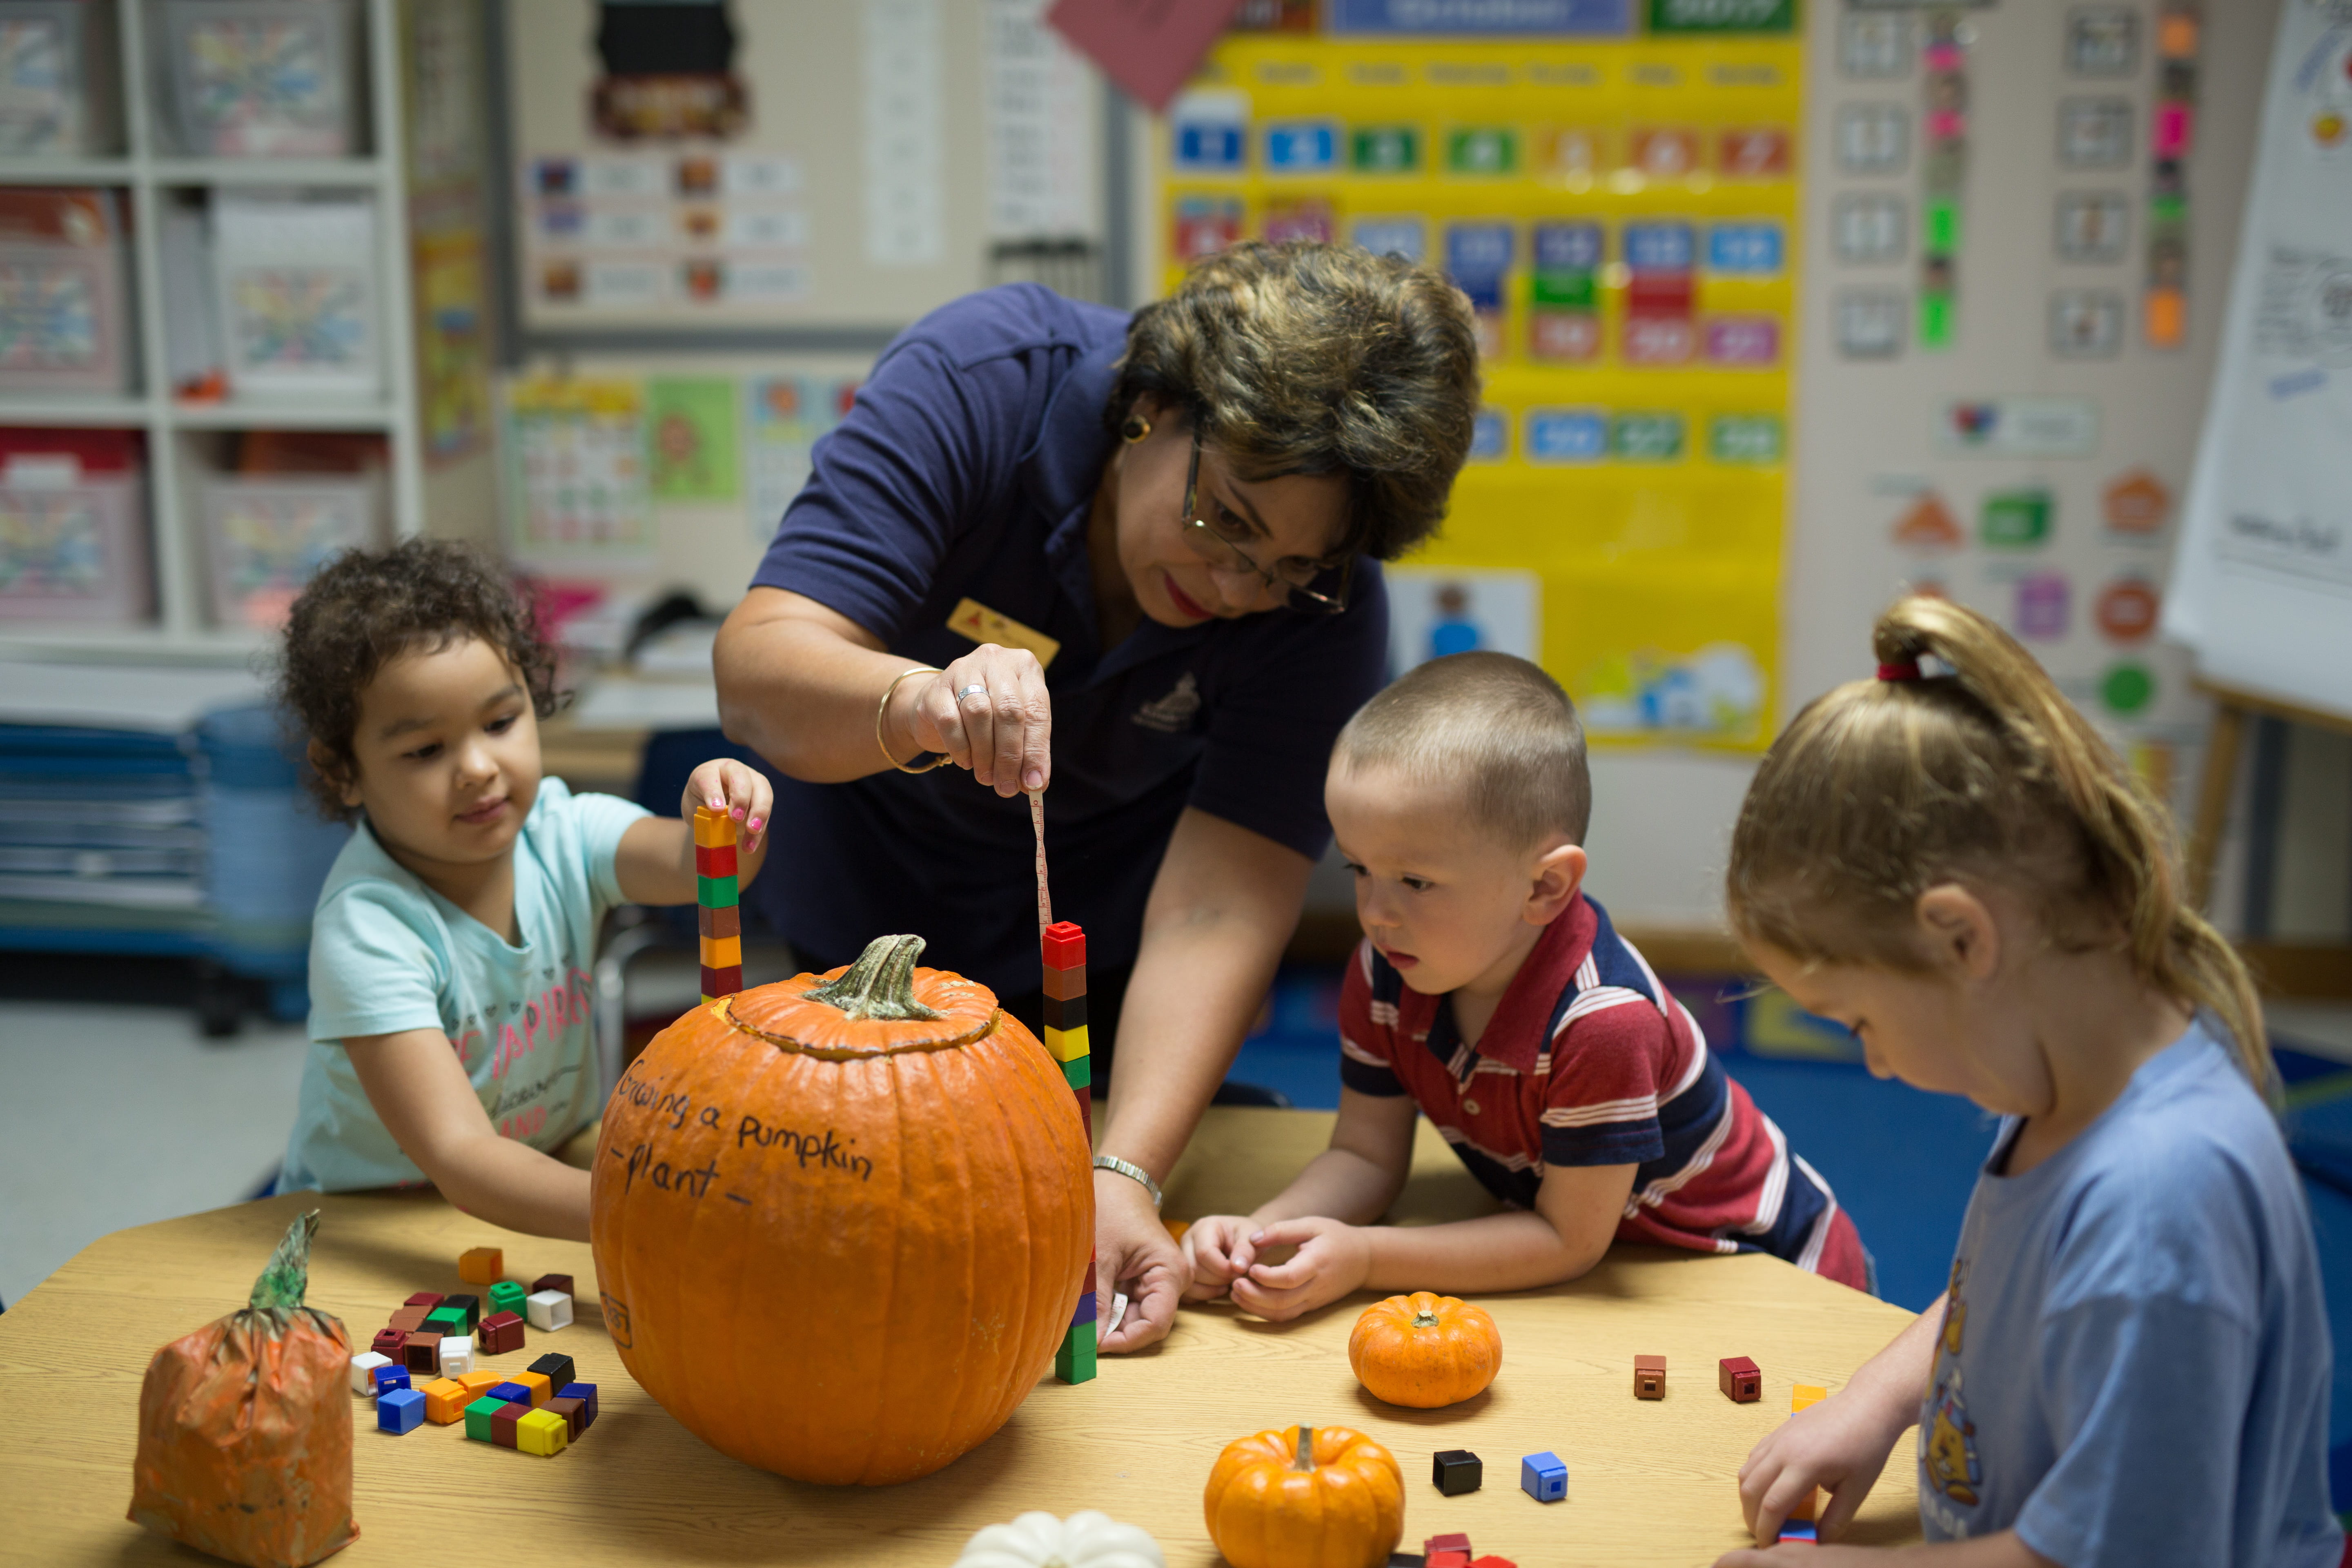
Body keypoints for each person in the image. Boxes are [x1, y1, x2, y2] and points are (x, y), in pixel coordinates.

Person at [713, 242, 1481, 1349]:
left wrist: (1124, 1171)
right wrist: (923, 704)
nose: (1233, 588)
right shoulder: (981, 383)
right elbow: (760, 673)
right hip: (862, 915)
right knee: (858, 1254)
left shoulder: (1325, 609)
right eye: (1226, 522)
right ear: (1154, 408)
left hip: (1106, 951)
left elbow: (1223, 902)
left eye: (1284, 571)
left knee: (1058, 1220)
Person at [1713, 598, 2341, 1567]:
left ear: (1964, 938)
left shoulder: (2160, 1203)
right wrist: (1877, 1398)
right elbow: (1993, 1293)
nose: (1874, 1062)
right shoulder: (2073, 1083)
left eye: (1861, 1023)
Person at [1182, 653, 1868, 1319]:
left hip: (1766, 1268)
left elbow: (1567, 1242)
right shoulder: (1385, 969)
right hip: (1625, 1259)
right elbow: (1364, 1156)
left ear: (1545, 887)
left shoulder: (1603, 1022)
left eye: (1415, 882)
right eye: (1358, 870)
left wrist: (1364, 1258)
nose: (1376, 913)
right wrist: (1262, 1232)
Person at [274, 540, 773, 1239]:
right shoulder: (369, 929)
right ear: (343, 772)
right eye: (425, 750)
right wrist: (654, 1210)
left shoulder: (562, 829)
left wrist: (723, 816)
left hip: (541, 1177)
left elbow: (702, 868)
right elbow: (462, 1157)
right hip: (375, 1220)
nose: (478, 767)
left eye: (501, 722)